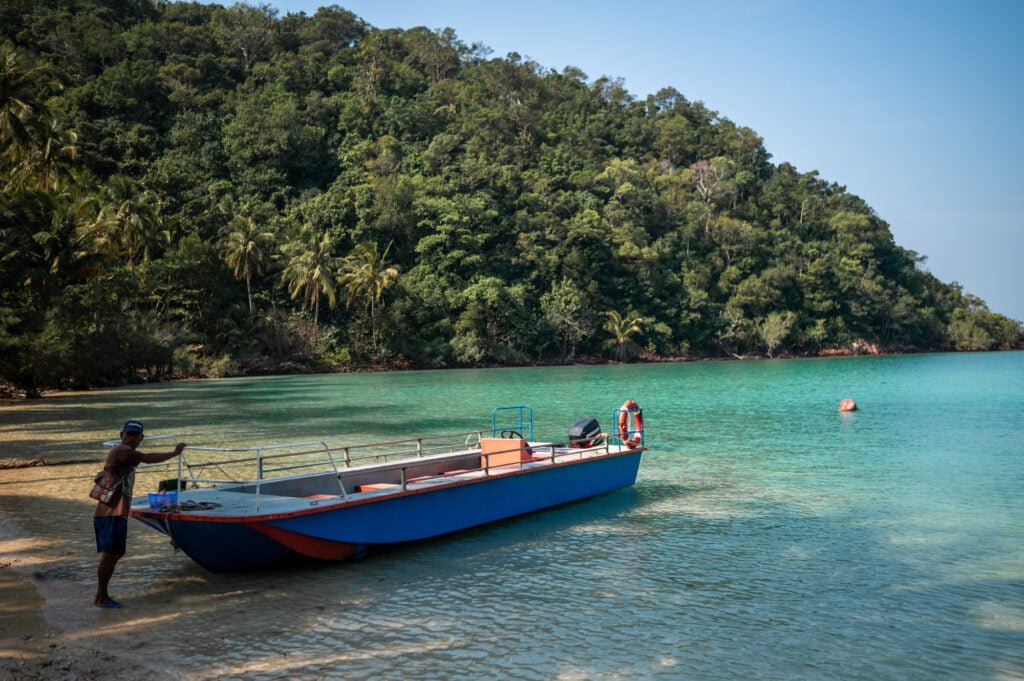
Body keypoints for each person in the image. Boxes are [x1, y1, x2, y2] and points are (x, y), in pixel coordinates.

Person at [94, 420, 186, 608]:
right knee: (110, 555)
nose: (131, 438)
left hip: (115, 512)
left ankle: (101, 595)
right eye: (128, 434)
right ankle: (101, 598)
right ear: (122, 435)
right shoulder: (121, 450)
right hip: (111, 512)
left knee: (115, 554)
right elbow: (147, 458)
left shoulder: (125, 453)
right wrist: (174, 453)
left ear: (141, 438)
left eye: (135, 435)